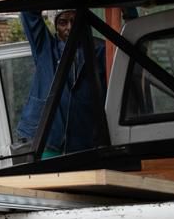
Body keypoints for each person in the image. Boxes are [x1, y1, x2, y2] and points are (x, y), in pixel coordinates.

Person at [15, 9, 107, 158]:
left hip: (85, 141)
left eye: (75, 22)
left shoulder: (100, 51)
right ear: (56, 27)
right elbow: (28, 13)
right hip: (48, 140)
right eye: (63, 22)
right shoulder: (45, 49)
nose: (69, 27)